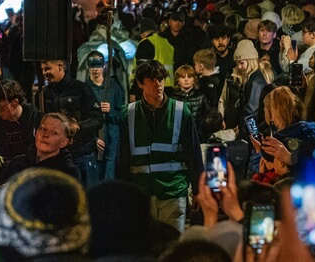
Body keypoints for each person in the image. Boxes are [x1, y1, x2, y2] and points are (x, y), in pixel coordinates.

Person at [119, 59, 202, 232]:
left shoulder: (181, 111)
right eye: (152, 80)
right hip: (141, 192)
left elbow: (193, 152)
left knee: (171, 249)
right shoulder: (128, 114)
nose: (158, 84)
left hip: (172, 190)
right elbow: (123, 157)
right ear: (141, 84)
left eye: (161, 79)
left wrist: (198, 190)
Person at [40, 59, 103, 185]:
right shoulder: (45, 93)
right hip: (60, 158)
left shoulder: (81, 88)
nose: (44, 73)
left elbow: (97, 118)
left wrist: (78, 128)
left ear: (60, 66)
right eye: (42, 69)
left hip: (83, 156)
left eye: (47, 68)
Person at [0, 112, 82, 186]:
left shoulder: (68, 172)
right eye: (43, 129)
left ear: (64, 142)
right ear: (36, 133)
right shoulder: (18, 162)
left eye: (54, 133)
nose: (45, 135)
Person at [84, 51, 124, 184]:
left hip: (112, 135)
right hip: (92, 138)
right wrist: (93, 138)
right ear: (88, 67)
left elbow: (122, 114)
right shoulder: (84, 89)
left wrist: (111, 111)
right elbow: (81, 117)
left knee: (110, 172)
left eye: (99, 65)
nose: (95, 69)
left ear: (104, 66)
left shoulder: (114, 87)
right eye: (92, 65)